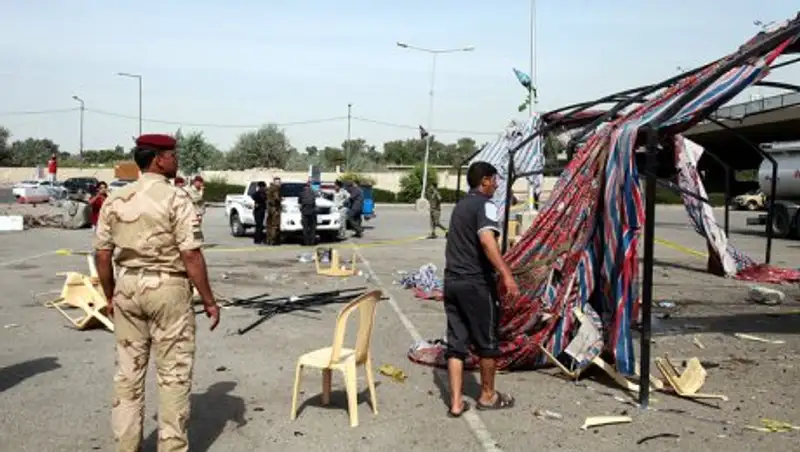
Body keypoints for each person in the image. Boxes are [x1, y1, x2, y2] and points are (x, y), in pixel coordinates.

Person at [93, 133, 220, 452]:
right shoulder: (176, 198)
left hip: (127, 287)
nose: (176, 160)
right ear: (158, 160)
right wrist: (209, 300)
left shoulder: (115, 199)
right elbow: (190, 254)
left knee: (128, 375)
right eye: (172, 155)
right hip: (167, 288)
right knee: (173, 375)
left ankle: (126, 446)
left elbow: (103, 255)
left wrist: (110, 295)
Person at [443, 161, 519, 417]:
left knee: (456, 344)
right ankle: (488, 396)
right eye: (494, 180)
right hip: (475, 283)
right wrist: (506, 275)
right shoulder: (486, 205)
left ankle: (456, 402)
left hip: (452, 281)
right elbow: (487, 241)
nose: (496, 185)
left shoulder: (461, 206)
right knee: (488, 341)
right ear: (484, 180)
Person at [299, 180, 317, 246]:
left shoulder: (301, 193)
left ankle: (306, 242)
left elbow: (299, 202)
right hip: (312, 212)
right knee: (312, 228)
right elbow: (314, 201)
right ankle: (312, 242)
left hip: (305, 212)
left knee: (305, 228)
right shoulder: (313, 192)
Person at [265, 178, 282, 245]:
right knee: (275, 225)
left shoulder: (269, 188)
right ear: (275, 182)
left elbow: (267, 197)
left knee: (269, 225)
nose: (279, 183)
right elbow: (276, 198)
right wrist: (280, 199)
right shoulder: (276, 189)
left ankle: (268, 240)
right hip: (275, 209)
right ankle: (273, 241)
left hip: (269, 209)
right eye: (278, 182)